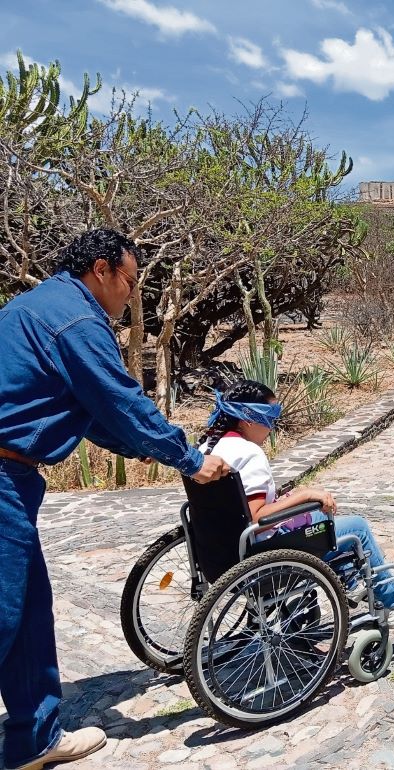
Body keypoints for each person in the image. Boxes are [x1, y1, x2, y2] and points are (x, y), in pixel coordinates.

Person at [0, 229, 230, 770]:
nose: (131, 294)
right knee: (5, 613)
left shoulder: (37, 305)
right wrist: (188, 459)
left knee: (28, 610)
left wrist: (144, 447)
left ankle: (34, 740)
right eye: (130, 280)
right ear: (101, 269)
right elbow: (119, 399)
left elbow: (92, 412)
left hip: (14, 478)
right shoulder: (77, 320)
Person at [198, 379, 394, 626]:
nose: (273, 425)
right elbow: (257, 517)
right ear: (248, 419)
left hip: (219, 552)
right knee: (356, 528)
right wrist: (303, 495)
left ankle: (352, 582)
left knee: (321, 519)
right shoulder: (249, 453)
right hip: (261, 552)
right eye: (270, 416)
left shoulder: (208, 449)